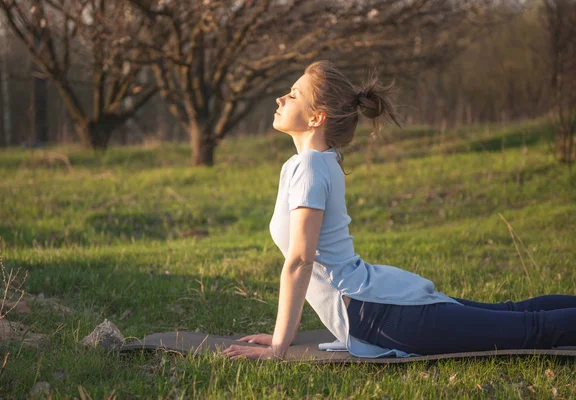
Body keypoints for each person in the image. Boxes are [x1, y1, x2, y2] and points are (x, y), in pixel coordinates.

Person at [222, 60, 576, 360]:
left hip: (375, 314)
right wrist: (282, 336)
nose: (281, 98)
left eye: (294, 94)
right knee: (518, 316)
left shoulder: (310, 166)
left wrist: (279, 346)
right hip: (374, 302)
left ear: (317, 118)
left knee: (530, 329)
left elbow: (300, 261)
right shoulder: (313, 162)